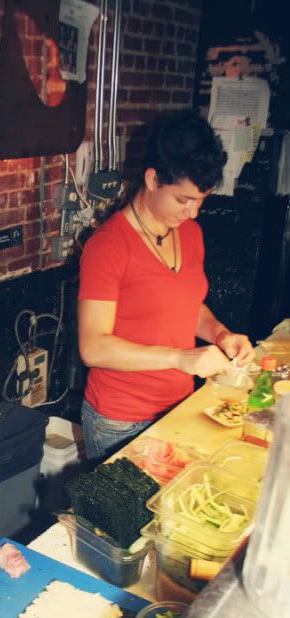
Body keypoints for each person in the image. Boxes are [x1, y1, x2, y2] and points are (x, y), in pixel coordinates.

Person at [78, 109, 254, 463]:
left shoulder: (190, 233)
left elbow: (185, 307)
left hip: (179, 409)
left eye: (201, 200)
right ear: (153, 179)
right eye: (183, 200)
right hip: (121, 421)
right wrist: (180, 358)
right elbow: (93, 348)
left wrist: (220, 334)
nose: (193, 212)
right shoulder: (109, 246)